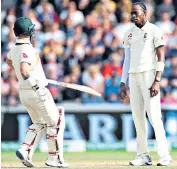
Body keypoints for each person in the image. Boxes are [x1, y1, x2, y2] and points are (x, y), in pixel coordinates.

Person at [6, 16, 69, 168]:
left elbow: (9, 62)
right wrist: (36, 86)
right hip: (35, 91)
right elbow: (24, 70)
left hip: (24, 92)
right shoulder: (27, 48)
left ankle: (25, 149)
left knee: (40, 122)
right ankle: (54, 159)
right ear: (30, 31)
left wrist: (30, 76)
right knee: (56, 120)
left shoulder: (14, 48)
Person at [118, 2, 172, 166]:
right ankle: (143, 155)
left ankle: (165, 156)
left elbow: (161, 56)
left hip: (149, 76)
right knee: (138, 118)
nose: (134, 16)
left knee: (155, 117)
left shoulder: (155, 30)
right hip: (133, 76)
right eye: (132, 13)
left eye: (136, 13)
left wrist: (157, 80)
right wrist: (122, 82)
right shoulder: (128, 33)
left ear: (145, 12)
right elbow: (127, 59)